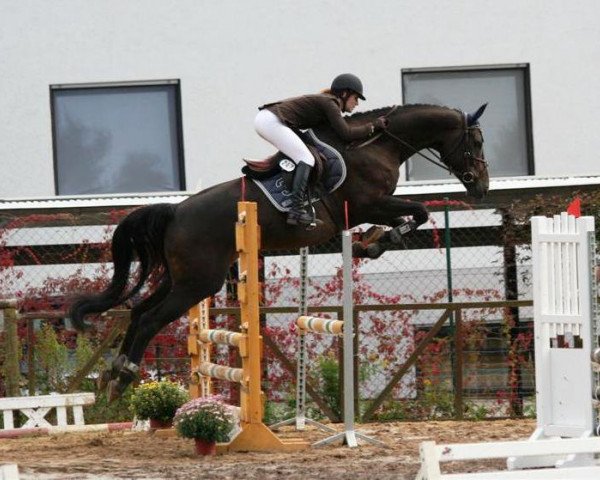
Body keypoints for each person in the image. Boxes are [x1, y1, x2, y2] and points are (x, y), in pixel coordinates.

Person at [255, 73, 388, 227]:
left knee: (305, 154)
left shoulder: (327, 103)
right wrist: (373, 126)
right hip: (270, 121)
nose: (357, 103)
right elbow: (346, 134)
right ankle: (296, 209)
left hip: (271, 120)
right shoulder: (330, 103)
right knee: (306, 159)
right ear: (344, 94)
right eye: (356, 98)